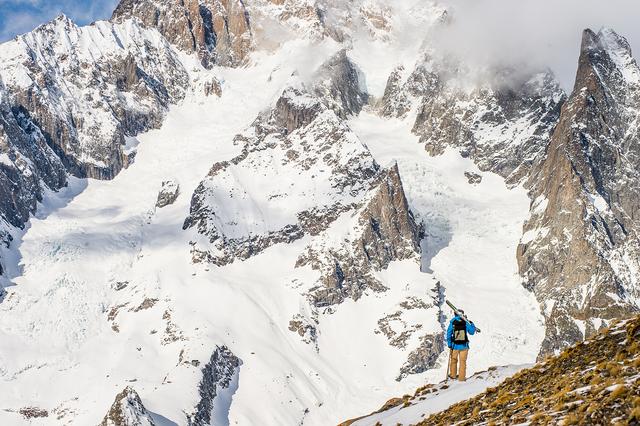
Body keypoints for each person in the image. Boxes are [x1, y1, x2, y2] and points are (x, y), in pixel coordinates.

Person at [446, 309, 476, 381]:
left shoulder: (452, 322)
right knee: (463, 362)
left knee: (453, 360)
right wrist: (472, 323)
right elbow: (472, 332)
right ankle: (461, 378)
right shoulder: (466, 322)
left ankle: (453, 376)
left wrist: (450, 344)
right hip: (464, 346)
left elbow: (448, 334)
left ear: (455, 314)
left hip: (454, 346)